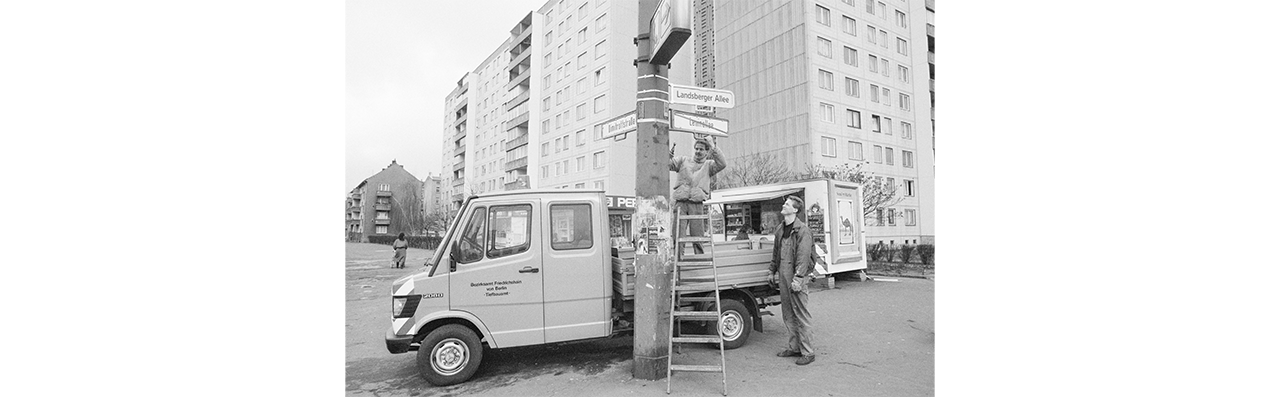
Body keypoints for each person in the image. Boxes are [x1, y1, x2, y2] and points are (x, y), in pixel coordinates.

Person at [769, 196, 816, 365]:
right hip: (783, 273)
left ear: (795, 210)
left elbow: (803, 257)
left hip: (797, 276)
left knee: (801, 314)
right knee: (788, 313)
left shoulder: (802, 230)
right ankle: (794, 347)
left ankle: (808, 352)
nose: (783, 205)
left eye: (787, 204)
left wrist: (798, 278)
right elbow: (776, 253)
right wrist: (771, 271)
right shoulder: (780, 229)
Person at [669, 137, 726, 255]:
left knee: (698, 235)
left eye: (701, 149)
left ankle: (699, 258)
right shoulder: (683, 160)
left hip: (697, 204)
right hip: (681, 203)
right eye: (696, 149)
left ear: (707, 151)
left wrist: (713, 146)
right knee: (678, 233)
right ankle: (677, 259)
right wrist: (668, 155)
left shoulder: (709, 165)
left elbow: (722, 163)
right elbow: (667, 165)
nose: (698, 151)